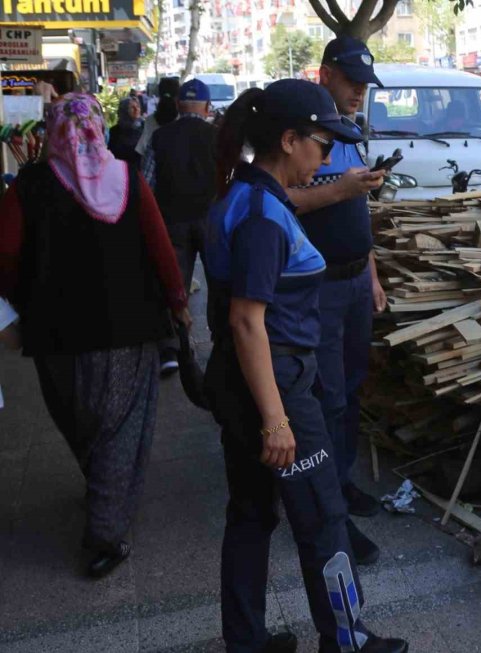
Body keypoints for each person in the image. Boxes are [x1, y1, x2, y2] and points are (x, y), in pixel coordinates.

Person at [205, 79, 408, 653]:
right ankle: (347, 641)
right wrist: (276, 418)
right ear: (289, 140)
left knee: (250, 517)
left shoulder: (248, 195)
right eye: (320, 144)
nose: (325, 157)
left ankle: (245, 642)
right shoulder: (263, 217)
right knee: (323, 519)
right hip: (277, 388)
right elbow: (248, 321)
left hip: (249, 381)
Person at [0, 93, 190, 578]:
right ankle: (106, 531)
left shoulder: (29, 186)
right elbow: (161, 248)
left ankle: (104, 496)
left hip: (54, 335)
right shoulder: (124, 175)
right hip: (127, 327)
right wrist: (179, 303)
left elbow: (3, 258)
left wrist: (12, 317)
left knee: (79, 419)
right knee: (118, 427)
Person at [286, 35, 387, 566]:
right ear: (325, 74)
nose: (359, 94)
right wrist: (339, 191)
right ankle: (330, 516)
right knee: (323, 400)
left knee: (348, 393)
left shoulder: (349, 135)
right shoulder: (299, 128)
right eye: (352, 83)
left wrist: (370, 273)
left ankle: (340, 483)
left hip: (351, 284)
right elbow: (278, 199)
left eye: (365, 86)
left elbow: (359, 210)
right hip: (315, 291)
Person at [143, 78, 217, 375]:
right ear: (207, 107)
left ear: (177, 105)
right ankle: (225, 340)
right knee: (220, 281)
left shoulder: (160, 138)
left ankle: (172, 350)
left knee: (173, 285)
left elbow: (146, 185)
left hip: (171, 222)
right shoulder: (217, 137)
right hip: (211, 220)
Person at [136, 76, 180, 160]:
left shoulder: (150, 120)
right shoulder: (183, 119)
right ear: (178, 95)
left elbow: (141, 149)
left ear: (159, 93)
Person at [108, 97, 144, 166]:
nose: (136, 109)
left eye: (138, 106)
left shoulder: (144, 127)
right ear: (124, 110)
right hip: (121, 170)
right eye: (132, 108)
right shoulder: (115, 131)